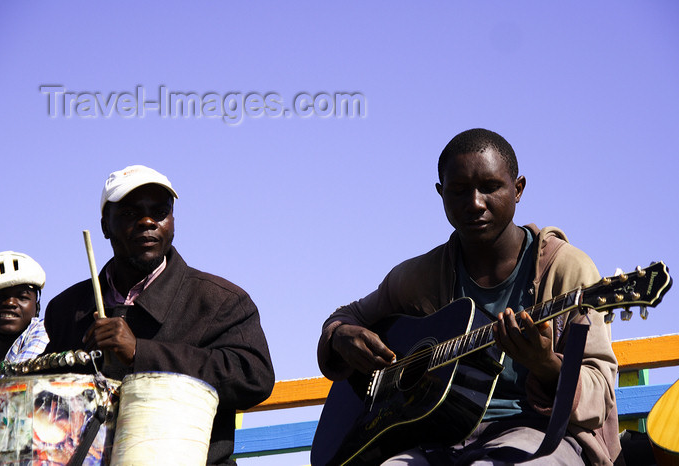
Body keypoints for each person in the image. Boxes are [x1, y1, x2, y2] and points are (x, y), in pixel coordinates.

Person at [317, 129, 621, 465]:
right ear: (441, 194)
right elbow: (348, 316)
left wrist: (547, 366)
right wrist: (341, 335)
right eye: (459, 191)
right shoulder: (419, 276)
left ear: (518, 189)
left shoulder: (566, 269)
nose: (475, 203)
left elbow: (601, 390)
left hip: (540, 435)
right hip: (434, 438)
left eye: (490, 187)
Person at [43, 165, 275, 465]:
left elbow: (253, 377)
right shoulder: (68, 308)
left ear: (173, 222)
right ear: (104, 225)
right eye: (130, 214)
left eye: (160, 212)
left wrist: (141, 352)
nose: (148, 222)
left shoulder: (219, 300)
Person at [0, 250, 49, 366]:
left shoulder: (44, 332)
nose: (10, 303)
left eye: (22, 297)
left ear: (36, 306)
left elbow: (16, 379)